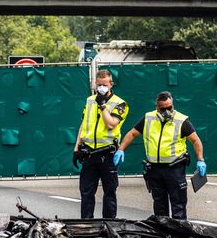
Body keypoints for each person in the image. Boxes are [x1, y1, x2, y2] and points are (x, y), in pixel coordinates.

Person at [117, 91, 206, 219]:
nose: (167, 111)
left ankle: (179, 231)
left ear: (172, 105)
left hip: (174, 168)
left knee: (178, 205)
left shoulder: (181, 120)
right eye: (163, 109)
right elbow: (132, 134)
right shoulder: (148, 118)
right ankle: (161, 231)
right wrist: (121, 149)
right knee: (159, 206)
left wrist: (200, 159)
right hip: (154, 169)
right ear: (157, 107)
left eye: (169, 107)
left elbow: (195, 140)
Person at [73, 69, 129, 219]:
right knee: (86, 192)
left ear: (111, 84)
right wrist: (76, 148)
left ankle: (109, 223)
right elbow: (83, 125)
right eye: (99, 85)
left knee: (109, 191)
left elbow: (111, 124)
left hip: (107, 154)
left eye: (104, 85)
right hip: (89, 153)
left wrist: (103, 106)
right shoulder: (90, 100)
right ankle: (86, 224)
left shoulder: (120, 103)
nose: (101, 88)